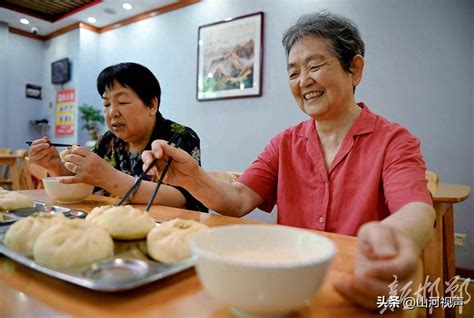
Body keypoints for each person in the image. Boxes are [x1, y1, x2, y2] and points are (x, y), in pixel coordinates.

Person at [142, 11, 435, 309]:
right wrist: (192, 177)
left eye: (315, 65)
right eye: (293, 72)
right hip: (290, 290)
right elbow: (238, 199)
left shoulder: (394, 140)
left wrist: (393, 236)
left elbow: (416, 209)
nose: (303, 81)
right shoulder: (284, 143)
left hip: (360, 288)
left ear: (355, 69)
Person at [29, 62, 207, 211]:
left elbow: (183, 198)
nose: (112, 112)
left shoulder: (179, 137)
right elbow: (88, 182)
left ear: (152, 105)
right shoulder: (108, 140)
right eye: (106, 104)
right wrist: (56, 166)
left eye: (122, 102)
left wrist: (111, 178)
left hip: (170, 232)